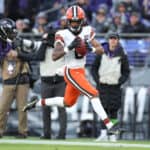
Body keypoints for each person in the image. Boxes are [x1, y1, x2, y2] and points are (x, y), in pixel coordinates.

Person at [23, 5, 121, 136]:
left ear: (82, 21)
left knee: (67, 102)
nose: (74, 24)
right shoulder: (62, 34)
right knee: (93, 93)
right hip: (71, 71)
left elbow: (101, 50)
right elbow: (54, 55)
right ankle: (109, 125)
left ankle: (37, 102)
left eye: (77, 21)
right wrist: (69, 47)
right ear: (68, 21)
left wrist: (90, 49)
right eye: (72, 21)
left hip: (80, 70)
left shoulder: (87, 30)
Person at [12, 27, 67, 139]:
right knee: (46, 109)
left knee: (61, 109)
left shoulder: (63, 47)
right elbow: (34, 50)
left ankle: (62, 134)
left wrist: (45, 41)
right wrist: (22, 42)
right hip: (46, 81)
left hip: (60, 81)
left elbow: (37, 55)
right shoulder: (43, 46)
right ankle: (47, 133)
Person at [91, 32, 130, 141]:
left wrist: (120, 81)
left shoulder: (122, 54)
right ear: (108, 40)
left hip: (115, 86)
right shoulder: (101, 52)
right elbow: (94, 68)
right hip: (102, 86)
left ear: (118, 40)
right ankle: (103, 132)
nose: (113, 41)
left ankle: (112, 134)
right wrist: (97, 80)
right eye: (111, 38)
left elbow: (126, 71)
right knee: (102, 110)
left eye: (115, 39)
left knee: (113, 110)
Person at [0, 18, 30, 138]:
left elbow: (31, 56)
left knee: (22, 108)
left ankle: (23, 131)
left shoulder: (18, 42)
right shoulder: (3, 44)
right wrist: (5, 53)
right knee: (2, 108)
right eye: (10, 31)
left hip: (22, 78)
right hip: (8, 79)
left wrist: (19, 52)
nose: (13, 33)